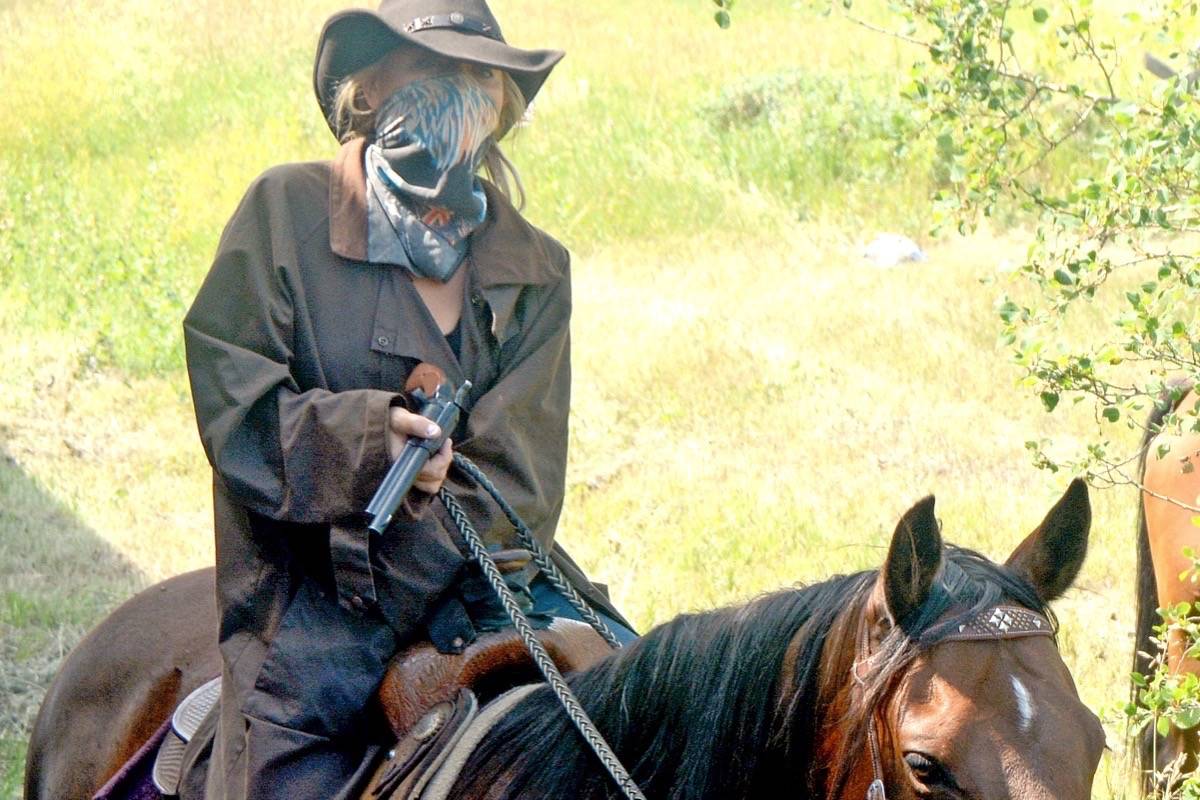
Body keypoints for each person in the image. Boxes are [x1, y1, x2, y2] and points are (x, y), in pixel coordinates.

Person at [181, 1, 636, 796]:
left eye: (474, 74)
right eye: (430, 69)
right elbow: (238, 409)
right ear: (369, 90)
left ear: (502, 100)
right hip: (312, 616)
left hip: (490, 584)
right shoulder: (284, 214)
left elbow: (517, 479)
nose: (455, 90)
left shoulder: (537, 270)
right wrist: (366, 443)